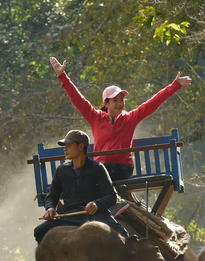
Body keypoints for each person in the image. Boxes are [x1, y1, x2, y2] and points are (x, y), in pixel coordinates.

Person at [49, 57, 191, 185]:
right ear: (106, 103)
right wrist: (62, 76)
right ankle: (112, 204)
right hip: (101, 168)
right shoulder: (95, 117)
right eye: (115, 100)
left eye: (122, 100)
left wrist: (175, 85)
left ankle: (115, 203)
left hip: (122, 168)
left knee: (97, 178)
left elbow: (153, 103)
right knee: (93, 176)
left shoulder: (130, 118)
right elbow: (77, 99)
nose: (119, 103)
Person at [34, 129, 129, 244]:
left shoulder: (97, 168)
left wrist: (97, 204)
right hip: (69, 218)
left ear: (80, 147)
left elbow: (111, 196)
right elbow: (52, 196)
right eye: (65, 146)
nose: (65, 149)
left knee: (122, 233)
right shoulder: (61, 170)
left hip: (96, 216)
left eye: (69, 145)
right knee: (39, 231)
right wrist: (50, 208)